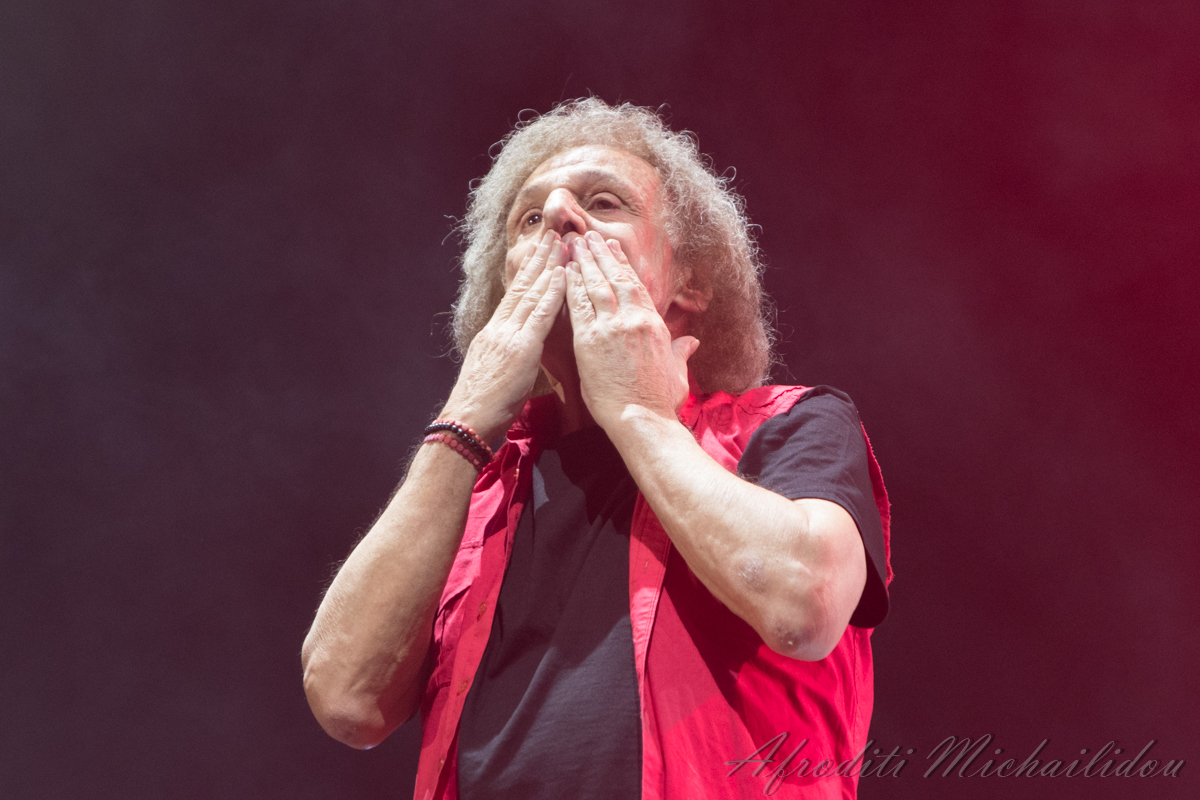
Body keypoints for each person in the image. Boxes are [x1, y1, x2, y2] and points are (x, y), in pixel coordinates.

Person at [301, 98, 892, 800]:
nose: (558, 215)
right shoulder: (477, 492)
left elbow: (805, 607)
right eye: (528, 218)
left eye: (604, 202)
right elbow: (346, 700)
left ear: (691, 282)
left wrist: (637, 412)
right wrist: (463, 422)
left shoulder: (792, 423)